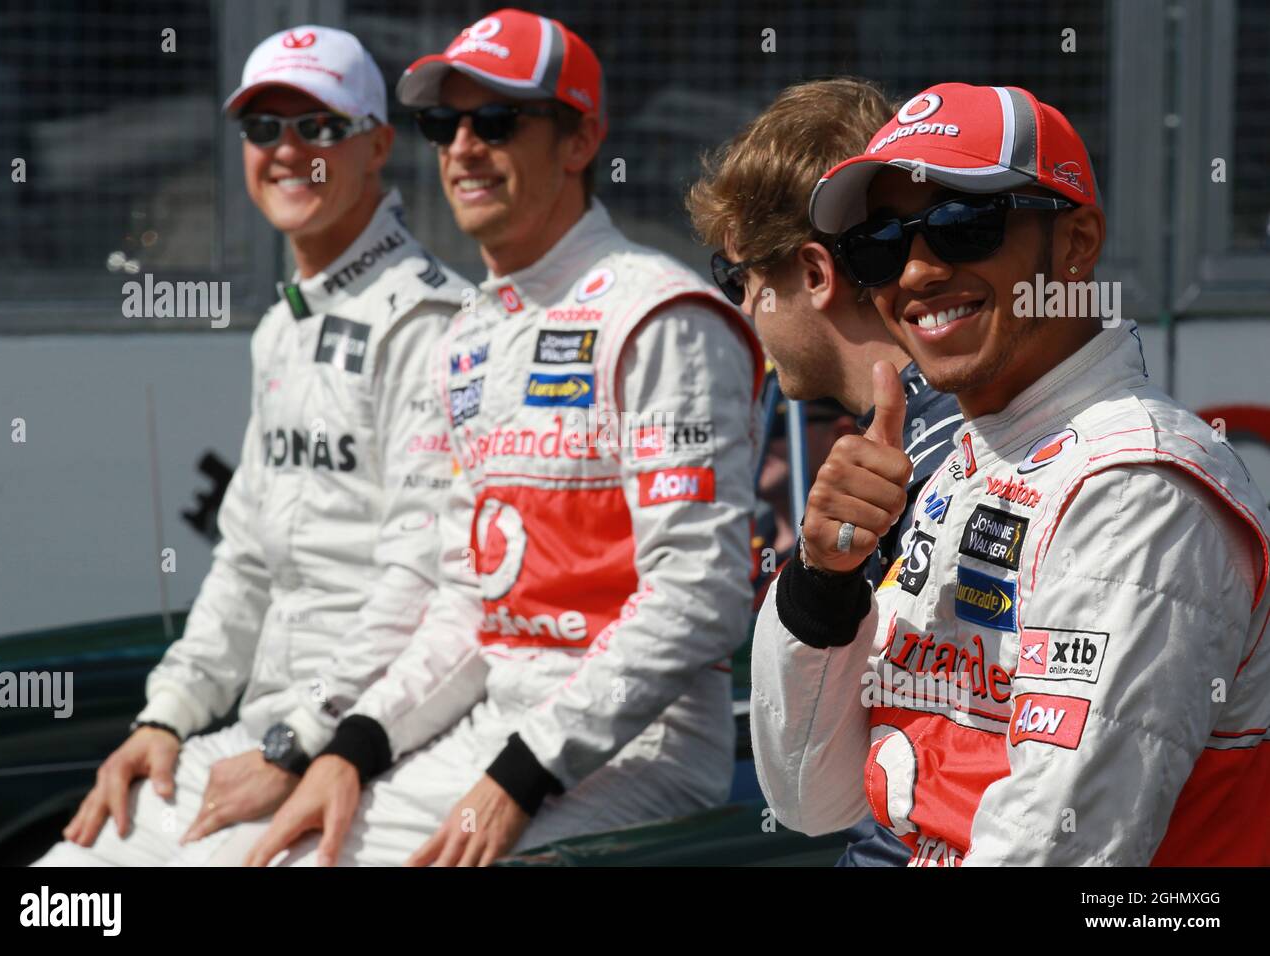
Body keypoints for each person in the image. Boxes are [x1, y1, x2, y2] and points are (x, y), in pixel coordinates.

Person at [243, 8, 765, 868]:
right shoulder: (470, 335)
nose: (463, 148)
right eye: (443, 124)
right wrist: (356, 745)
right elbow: (466, 603)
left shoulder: (660, 316)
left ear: (580, 139)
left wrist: (522, 774)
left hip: (639, 751)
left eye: (496, 120)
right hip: (495, 729)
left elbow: (701, 591)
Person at [752, 82, 1270, 865]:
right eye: (880, 244)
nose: (915, 272)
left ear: (1076, 242)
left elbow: (1053, 849)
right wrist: (822, 581)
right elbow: (811, 798)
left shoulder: (1136, 491)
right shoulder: (972, 456)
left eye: (963, 225)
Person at [34, 25, 467, 866]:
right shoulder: (281, 329)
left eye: (320, 126)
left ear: (378, 145)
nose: (288, 151)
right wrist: (166, 715)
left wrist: (301, 742)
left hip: (371, 749)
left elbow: (424, 585)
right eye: (264, 128)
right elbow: (244, 564)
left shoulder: (433, 326)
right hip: (261, 736)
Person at [687, 78, 961, 866]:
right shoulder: (935, 430)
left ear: (812, 274)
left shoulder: (951, 458)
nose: (743, 310)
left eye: (738, 278)